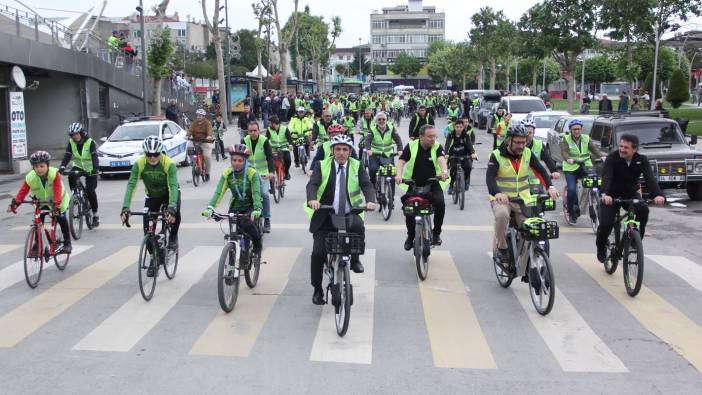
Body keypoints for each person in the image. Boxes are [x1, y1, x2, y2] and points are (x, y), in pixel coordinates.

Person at [305, 135, 377, 305]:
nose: (341, 153)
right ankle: (317, 289)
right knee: (318, 254)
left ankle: (355, 259)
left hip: (349, 213)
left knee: (359, 229)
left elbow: (366, 185)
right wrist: (312, 199)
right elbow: (312, 185)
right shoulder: (321, 165)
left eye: (345, 149)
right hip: (326, 214)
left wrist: (370, 200)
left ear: (350, 151)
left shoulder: (356, 165)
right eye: (338, 149)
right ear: (332, 151)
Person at [487, 125, 559, 263]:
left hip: (523, 200)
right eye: (518, 142)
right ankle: (502, 248)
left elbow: (541, 171)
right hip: (503, 200)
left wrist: (550, 186)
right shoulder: (496, 155)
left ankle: (528, 258)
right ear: (509, 140)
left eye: (524, 142)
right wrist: (497, 193)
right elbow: (490, 178)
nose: (521, 146)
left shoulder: (527, 153)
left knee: (532, 228)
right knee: (502, 215)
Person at [596, 134, 665, 262]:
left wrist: (657, 194)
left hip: (630, 194)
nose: (622, 149)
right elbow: (606, 177)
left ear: (634, 149)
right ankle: (600, 246)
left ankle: (636, 238)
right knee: (606, 224)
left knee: (643, 210)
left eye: (626, 147)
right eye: (621, 146)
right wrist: (605, 194)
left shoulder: (642, 160)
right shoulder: (612, 157)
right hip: (611, 195)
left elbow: (650, 179)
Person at [120, 137, 181, 257]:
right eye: (149, 154)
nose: (152, 157)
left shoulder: (169, 163)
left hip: (169, 194)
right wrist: (125, 207)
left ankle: (173, 237)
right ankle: (155, 258)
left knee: (176, 214)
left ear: (160, 153)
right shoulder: (139, 163)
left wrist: (173, 206)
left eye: (156, 154)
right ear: (145, 153)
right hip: (152, 196)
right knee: (147, 232)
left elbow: (173, 186)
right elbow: (131, 185)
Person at [202, 144, 263, 257]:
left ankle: (257, 243)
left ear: (245, 161)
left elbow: (256, 193)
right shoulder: (228, 174)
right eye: (234, 160)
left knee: (247, 225)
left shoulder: (252, 173)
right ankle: (233, 258)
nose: (237, 163)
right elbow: (219, 192)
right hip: (236, 205)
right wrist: (210, 207)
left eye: (240, 160)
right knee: (234, 232)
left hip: (251, 205)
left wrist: (257, 208)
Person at [396, 125, 450, 249]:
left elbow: (442, 160)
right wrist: (399, 175)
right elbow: (401, 161)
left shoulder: (436, 146)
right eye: (430, 136)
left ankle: (436, 234)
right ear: (421, 137)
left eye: (434, 136)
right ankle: (410, 236)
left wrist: (444, 173)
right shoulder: (411, 146)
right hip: (413, 184)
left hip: (433, 183)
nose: (433, 139)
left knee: (440, 204)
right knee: (409, 210)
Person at [7, 151, 72, 253]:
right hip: (41, 202)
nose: (39, 169)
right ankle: (37, 244)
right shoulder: (30, 177)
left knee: (61, 217)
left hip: (58, 200)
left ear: (48, 165)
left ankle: (68, 243)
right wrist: (15, 203)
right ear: (33, 168)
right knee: (38, 221)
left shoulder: (54, 174)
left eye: (42, 166)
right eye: (36, 166)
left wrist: (57, 205)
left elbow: (57, 189)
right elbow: (23, 191)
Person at [559, 119, 604, 224]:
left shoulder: (586, 138)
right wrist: (568, 159)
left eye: (578, 129)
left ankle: (600, 201)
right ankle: (572, 213)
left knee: (597, 181)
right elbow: (564, 152)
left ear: (581, 129)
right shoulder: (565, 139)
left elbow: (594, 150)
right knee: (571, 190)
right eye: (574, 129)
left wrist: (603, 157)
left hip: (585, 165)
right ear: (570, 130)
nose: (576, 131)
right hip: (571, 167)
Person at [59, 122, 100, 227]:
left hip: (91, 168)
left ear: (81, 133)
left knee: (90, 190)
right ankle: (75, 196)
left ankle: (95, 214)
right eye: (72, 135)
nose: (75, 136)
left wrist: (95, 168)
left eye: (77, 134)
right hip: (78, 166)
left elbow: (94, 156)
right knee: (71, 175)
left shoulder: (90, 142)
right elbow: (67, 155)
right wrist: (62, 166)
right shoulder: (71, 142)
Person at [244, 121, 275, 233]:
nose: (253, 133)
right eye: (250, 131)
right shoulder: (245, 141)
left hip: (263, 173)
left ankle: (267, 219)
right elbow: (240, 157)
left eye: (255, 130)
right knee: (244, 194)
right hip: (249, 173)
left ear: (259, 131)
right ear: (248, 131)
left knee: (265, 194)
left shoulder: (264, 141)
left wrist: (271, 172)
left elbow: (270, 157)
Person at [365, 112, 403, 186]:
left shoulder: (391, 128)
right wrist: (368, 149)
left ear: (386, 120)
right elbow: (368, 140)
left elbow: (398, 139)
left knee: (392, 174)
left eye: (383, 119)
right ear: (376, 121)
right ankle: (373, 183)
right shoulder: (372, 129)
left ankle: (391, 195)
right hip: (375, 154)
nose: (381, 121)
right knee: (373, 169)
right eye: (379, 119)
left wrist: (400, 150)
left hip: (388, 154)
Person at [521, 118, 560, 190]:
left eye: (530, 133)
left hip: (535, 181)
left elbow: (548, 159)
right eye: (525, 132)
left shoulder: (539, 145)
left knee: (545, 199)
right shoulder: (514, 145)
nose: (527, 135)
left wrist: (554, 171)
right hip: (518, 183)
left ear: (534, 133)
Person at [445, 119, 476, 194]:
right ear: (454, 127)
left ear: (463, 127)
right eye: (457, 127)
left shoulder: (466, 135)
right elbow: (447, 144)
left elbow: (469, 144)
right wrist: (446, 153)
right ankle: (451, 185)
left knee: (468, 167)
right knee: (452, 170)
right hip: (453, 155)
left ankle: (465, 180)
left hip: (464, 155)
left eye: (460, 127)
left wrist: (472, 153)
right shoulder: (451, 135)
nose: (459, 128)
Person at [187, 108, 214, 181]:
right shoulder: (194, 123)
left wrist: (208, 136)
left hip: (205, 141)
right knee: (189, 147)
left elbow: (209, 131)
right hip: (195, 140)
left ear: (204, 116)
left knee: (207, 156)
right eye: (198, 115)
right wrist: (187, 135)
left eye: (201, 115)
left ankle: (207, 173)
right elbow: (190, 130)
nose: (199, 117)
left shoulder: (207, 123)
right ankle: (193, 161)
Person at [266, 115, 293, 180]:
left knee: (288, 160)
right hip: (273, 149)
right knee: (270, 161)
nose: (269, 124)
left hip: (284, 148)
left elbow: (289, 138)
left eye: (270, 123)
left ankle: (286, 172)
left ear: (274, 123)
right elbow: (266, 140)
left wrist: (290, 145)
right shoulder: (269, 130)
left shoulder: (284, 128)